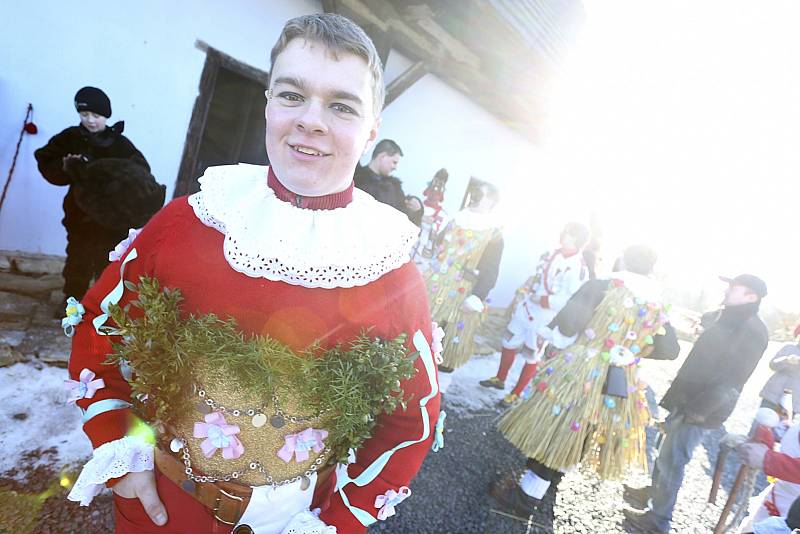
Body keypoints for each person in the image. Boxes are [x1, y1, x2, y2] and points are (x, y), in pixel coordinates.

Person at [64, 14, 440, 534]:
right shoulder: (187, 222)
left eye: (341, 105)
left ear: (371, 129)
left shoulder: (390, 274)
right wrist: (121, 447)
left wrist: (337, 523)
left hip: (290, 523)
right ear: (267, 103)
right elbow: (101, 327)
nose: (311, 120)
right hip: (161, 511)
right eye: (291, 94)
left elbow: (409, 422)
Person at [491, 245, 680, 518]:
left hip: (582, 370)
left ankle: (525, 498)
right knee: (583, 431)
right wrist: (633, 350)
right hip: (619, 378)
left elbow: (568, 324)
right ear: (651, 268)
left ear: (623, 258)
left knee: (558, 429)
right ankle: (548, 484)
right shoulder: (655, 304)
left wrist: (566, 342)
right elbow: (670, 349)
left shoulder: (604, 285)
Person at [623, 274, 770, 534]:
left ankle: (658, 519)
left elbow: (730, 380)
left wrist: (696, 411)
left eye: (734, 287)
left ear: (751, 296)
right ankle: (653, 495)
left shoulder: (751, 329)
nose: (727, 290)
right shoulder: (731, 316)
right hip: (688, 398)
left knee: (673, 459)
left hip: (701, 408)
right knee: (665, 450)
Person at [34, 87, 160, 314]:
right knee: (78, 258)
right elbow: (45, 159)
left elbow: (140, 173)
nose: (90, 121)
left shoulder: (120, 144)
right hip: (80, 214)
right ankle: (71, 302)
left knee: (107, 262)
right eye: (84, 115)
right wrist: (66, 168)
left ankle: (99, 307)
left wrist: (114, 179)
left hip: (113, 218)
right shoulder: (70, 138)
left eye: (96, 115)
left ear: (106, 115)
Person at [479, 222, 591, 405]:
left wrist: (544, 301)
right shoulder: (551, 253)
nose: (564, 235)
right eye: (565, 231)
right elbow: (537, 275)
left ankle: (516, 392)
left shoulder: (579, 267)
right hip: (527, 307)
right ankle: (499, 378)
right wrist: (527, 288)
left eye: (570, 234)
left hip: (545, 317)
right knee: (509, 341)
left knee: (532, 354)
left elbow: (570, 297)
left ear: (578, 240)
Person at [424, 182, 503, 373]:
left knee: (445, 350)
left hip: (460, 297)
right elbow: (438, 248)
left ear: (491, 202)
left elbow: (491, 271)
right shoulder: (456, 220)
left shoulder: (493, 233)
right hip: (435, 286)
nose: (474, 197)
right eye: (474, 193)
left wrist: (477, 296)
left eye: (480, 194)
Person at [353, 139, 407, 214]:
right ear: (382, 157)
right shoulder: (355, 179)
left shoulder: (395, 187)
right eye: (394, 162)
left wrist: (416, 209)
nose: (395, 168)